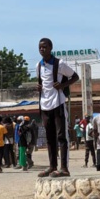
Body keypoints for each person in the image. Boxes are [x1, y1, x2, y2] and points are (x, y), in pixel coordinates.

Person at [36, 38, 79, 178]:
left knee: (61, 137)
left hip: (58, 103)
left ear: (50, 48)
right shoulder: (38, 66)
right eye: (40, 47)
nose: (42, 49)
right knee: (49, 137)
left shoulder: (59, 63)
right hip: (45, 105)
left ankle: (64, 168)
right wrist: (39, 88)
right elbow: (42, 83)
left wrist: (62, 86)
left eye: (44, 47)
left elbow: (75, 76)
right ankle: (52, 166)